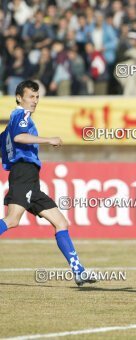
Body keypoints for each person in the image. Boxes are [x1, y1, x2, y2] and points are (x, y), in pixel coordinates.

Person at [0, 80, 96, 287]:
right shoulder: (21, 116)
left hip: (29, 179)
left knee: (61, 223)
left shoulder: (9, 123)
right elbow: (19, 137)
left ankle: (79, 272)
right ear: (19, 98)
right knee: (12, 220)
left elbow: (6, 143)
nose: (35, 101)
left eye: (37, 97)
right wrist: (48, 139)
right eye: (31, 96)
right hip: (24, 173)